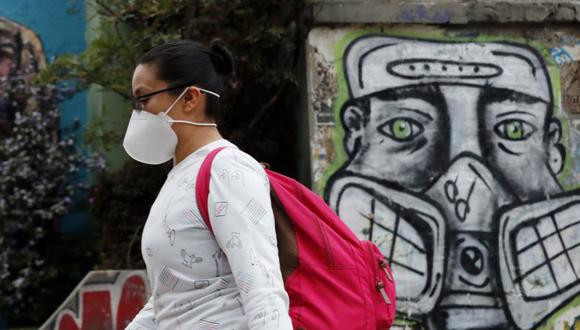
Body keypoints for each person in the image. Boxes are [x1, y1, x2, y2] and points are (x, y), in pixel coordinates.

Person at [124, 39, 292, 329]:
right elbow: (174, 298)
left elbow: (263, 289)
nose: (138, 111)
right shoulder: (180, 176)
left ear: (190, 98)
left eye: (143, 99)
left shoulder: (227, 170)